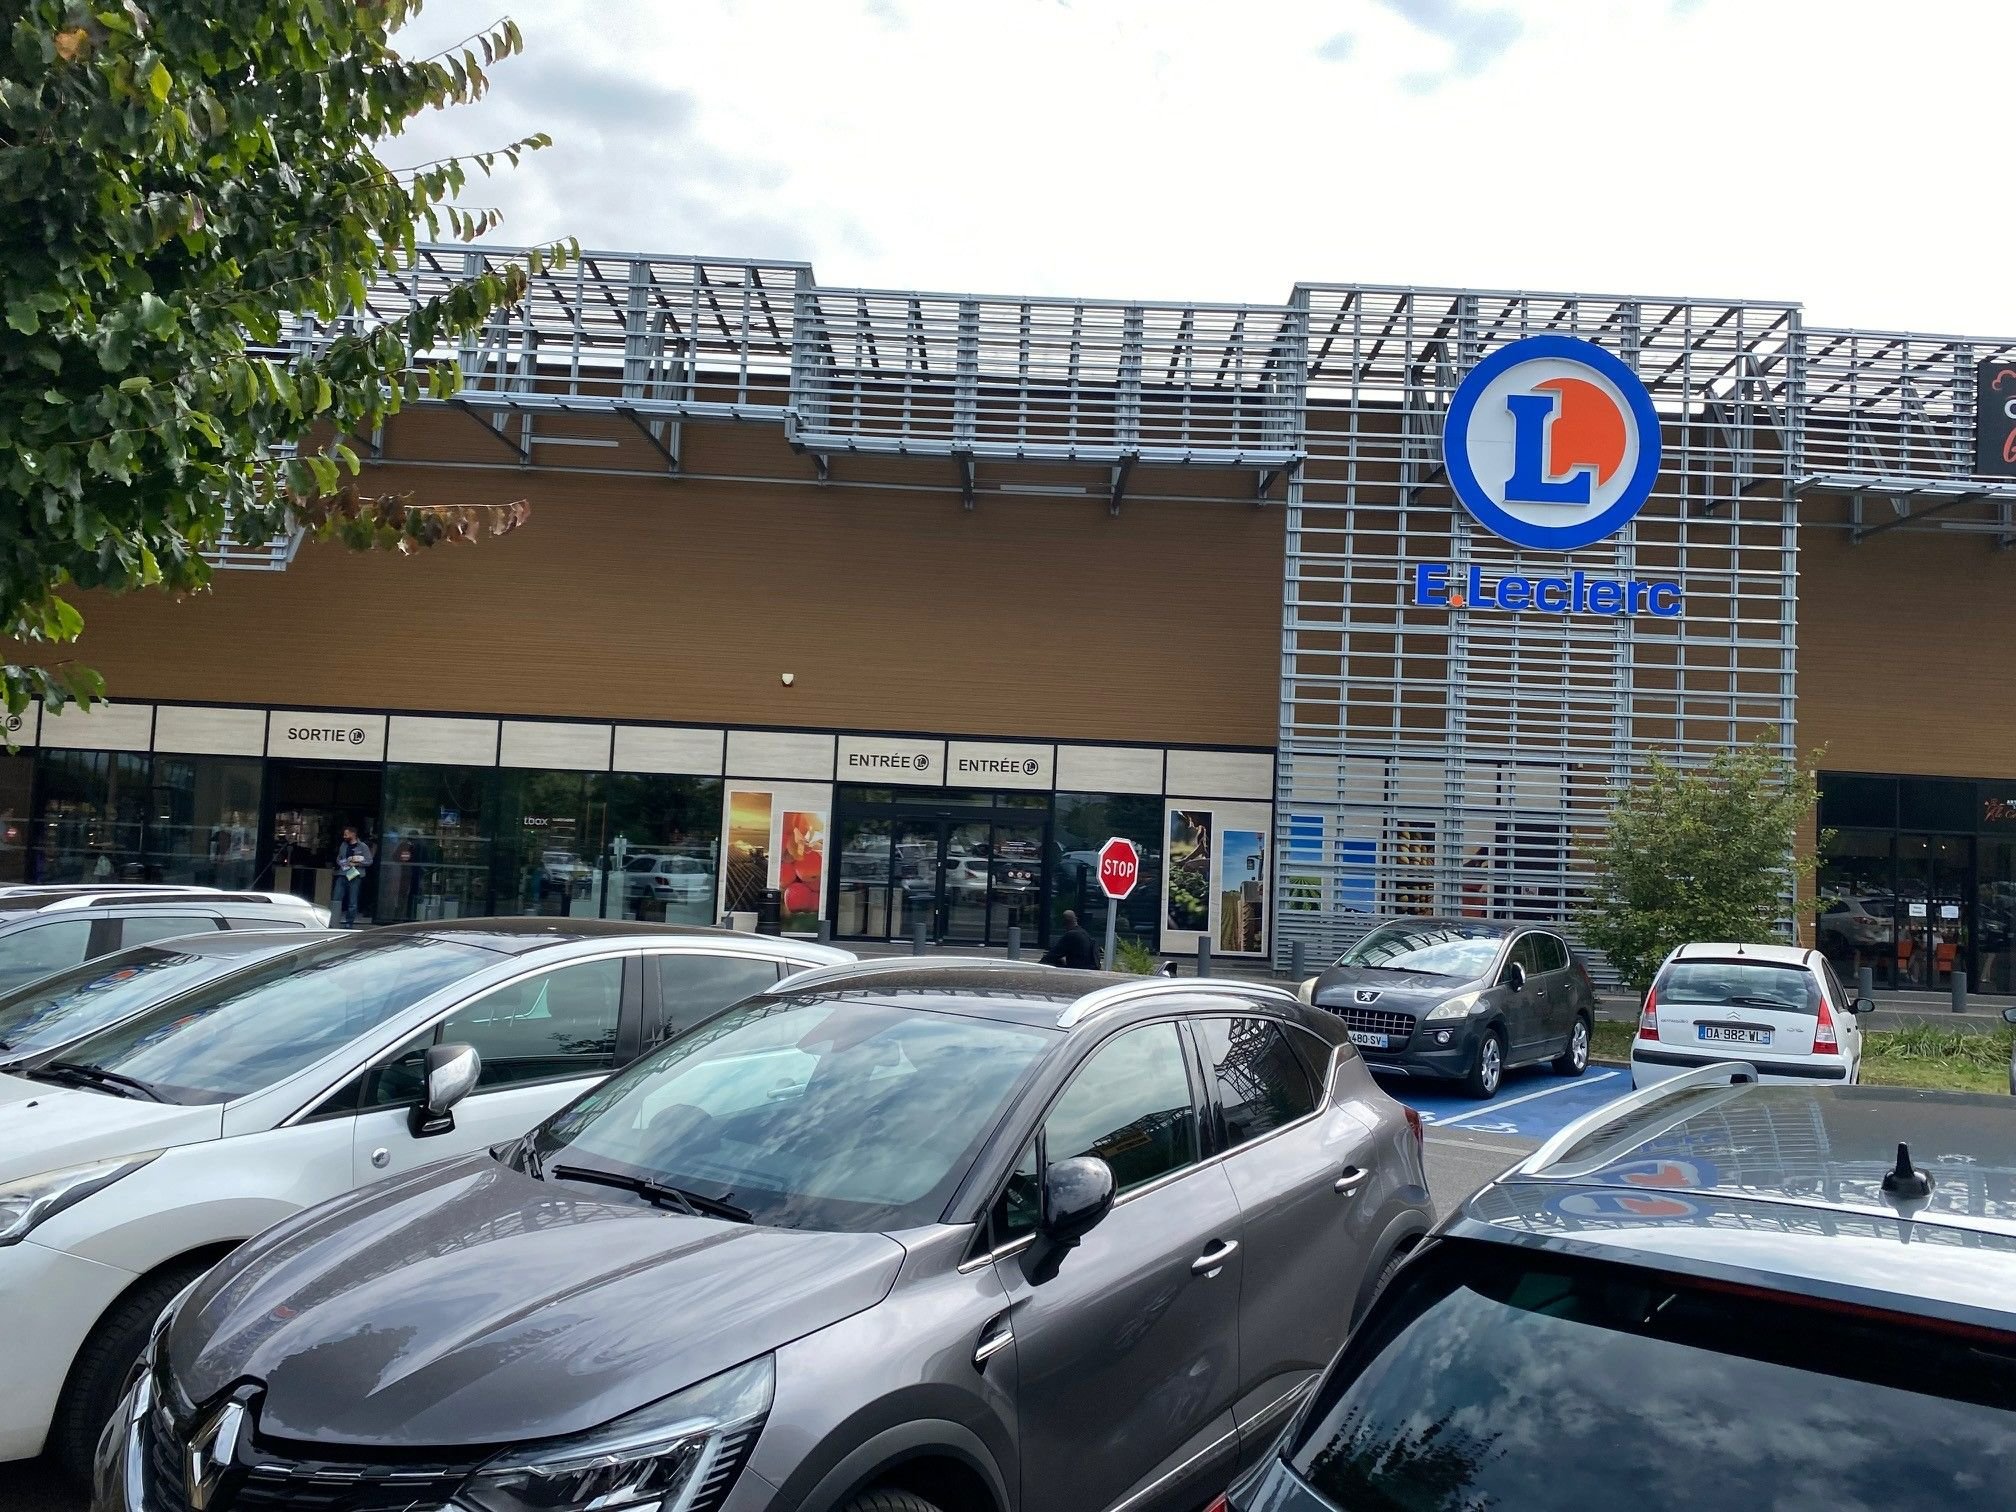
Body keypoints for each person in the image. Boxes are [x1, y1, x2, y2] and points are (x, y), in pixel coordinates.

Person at [332, 825, 373, 928]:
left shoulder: (362, 846)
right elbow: (339, 857)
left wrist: (357, 862)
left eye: (346, 834)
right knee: (336, 898)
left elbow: (369, 861)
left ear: (353, 834)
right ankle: (333, 920)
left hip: (355, 875)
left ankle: (349, 922)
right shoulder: (343, 845)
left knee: (352, 900)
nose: (344, 836)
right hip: (342, 873)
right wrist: (342, 863)